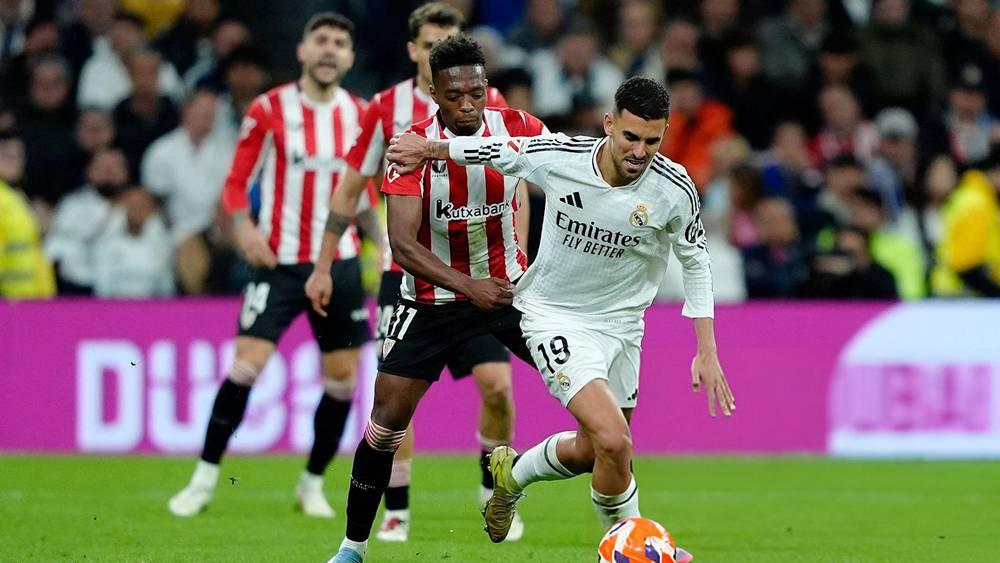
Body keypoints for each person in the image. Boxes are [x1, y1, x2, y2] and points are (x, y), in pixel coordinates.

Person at [385, 76, 737, 562]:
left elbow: (696, 261)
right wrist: (430, 148)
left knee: (596, 450)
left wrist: (707, 349)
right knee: (616, 441)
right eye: (630, 137)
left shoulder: (674, 189)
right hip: (554, 317)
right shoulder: (563, 156)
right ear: (609, 124)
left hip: (622, 328)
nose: (639, 151)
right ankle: (633, 549)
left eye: (652, 141)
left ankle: (512, 476)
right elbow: (500, 150)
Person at [311, 35, 546, 563]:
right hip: (430, 301)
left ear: (488, 89)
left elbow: (566, 174)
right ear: (435, 95)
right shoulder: (406, 147)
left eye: (477, 93)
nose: (468, 104)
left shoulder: (521, 128)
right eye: (455, 95)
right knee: (386, 420)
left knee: (588, 395)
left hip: (508, 293)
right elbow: (403, 245)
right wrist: (468, 286)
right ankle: (352, 547)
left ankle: (520, 488)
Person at [168, 12, 373, 520]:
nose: (329, 49)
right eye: (320, 40)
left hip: (341, 264)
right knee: (245, 367)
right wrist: (244, 228)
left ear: (349, 58)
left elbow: (363, 194)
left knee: (343, 382)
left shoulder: (362, 115)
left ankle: (311, 483)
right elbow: (237, 182)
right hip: (278, 263)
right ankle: (203, 479)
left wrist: (386, 245)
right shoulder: (268, 109)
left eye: (340, 43)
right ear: (303, 51)